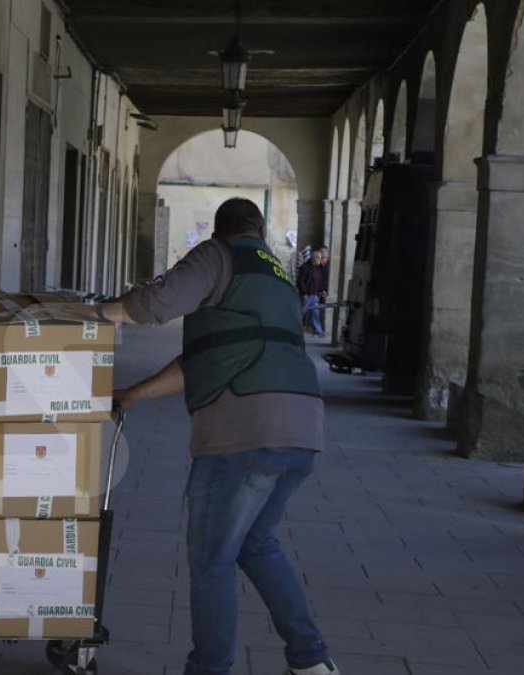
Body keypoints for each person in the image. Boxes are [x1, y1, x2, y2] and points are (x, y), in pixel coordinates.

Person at [69, 198, 337, 675]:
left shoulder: (217, 255)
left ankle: (209, 668)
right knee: (257, 544)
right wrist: (130, 395)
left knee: (213, 558)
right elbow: (209, 358)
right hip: (302, 430)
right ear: (258, 231)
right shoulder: (275, 277)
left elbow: (156, 303)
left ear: (222, 231)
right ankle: (312, 661)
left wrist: (92, 315)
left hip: (244, 435)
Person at [296, 248, 327, 337]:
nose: (321, 260)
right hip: (307, 295)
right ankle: (293, 328)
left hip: (315, 295)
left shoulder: (317, 268)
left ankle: (318, 331)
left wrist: (322, 290)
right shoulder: (304, 267)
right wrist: (304, 293)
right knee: (301, 312)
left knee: (315, 313)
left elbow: (318, 281)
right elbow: (300, 281)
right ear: (315, 258)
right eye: (320, 259)